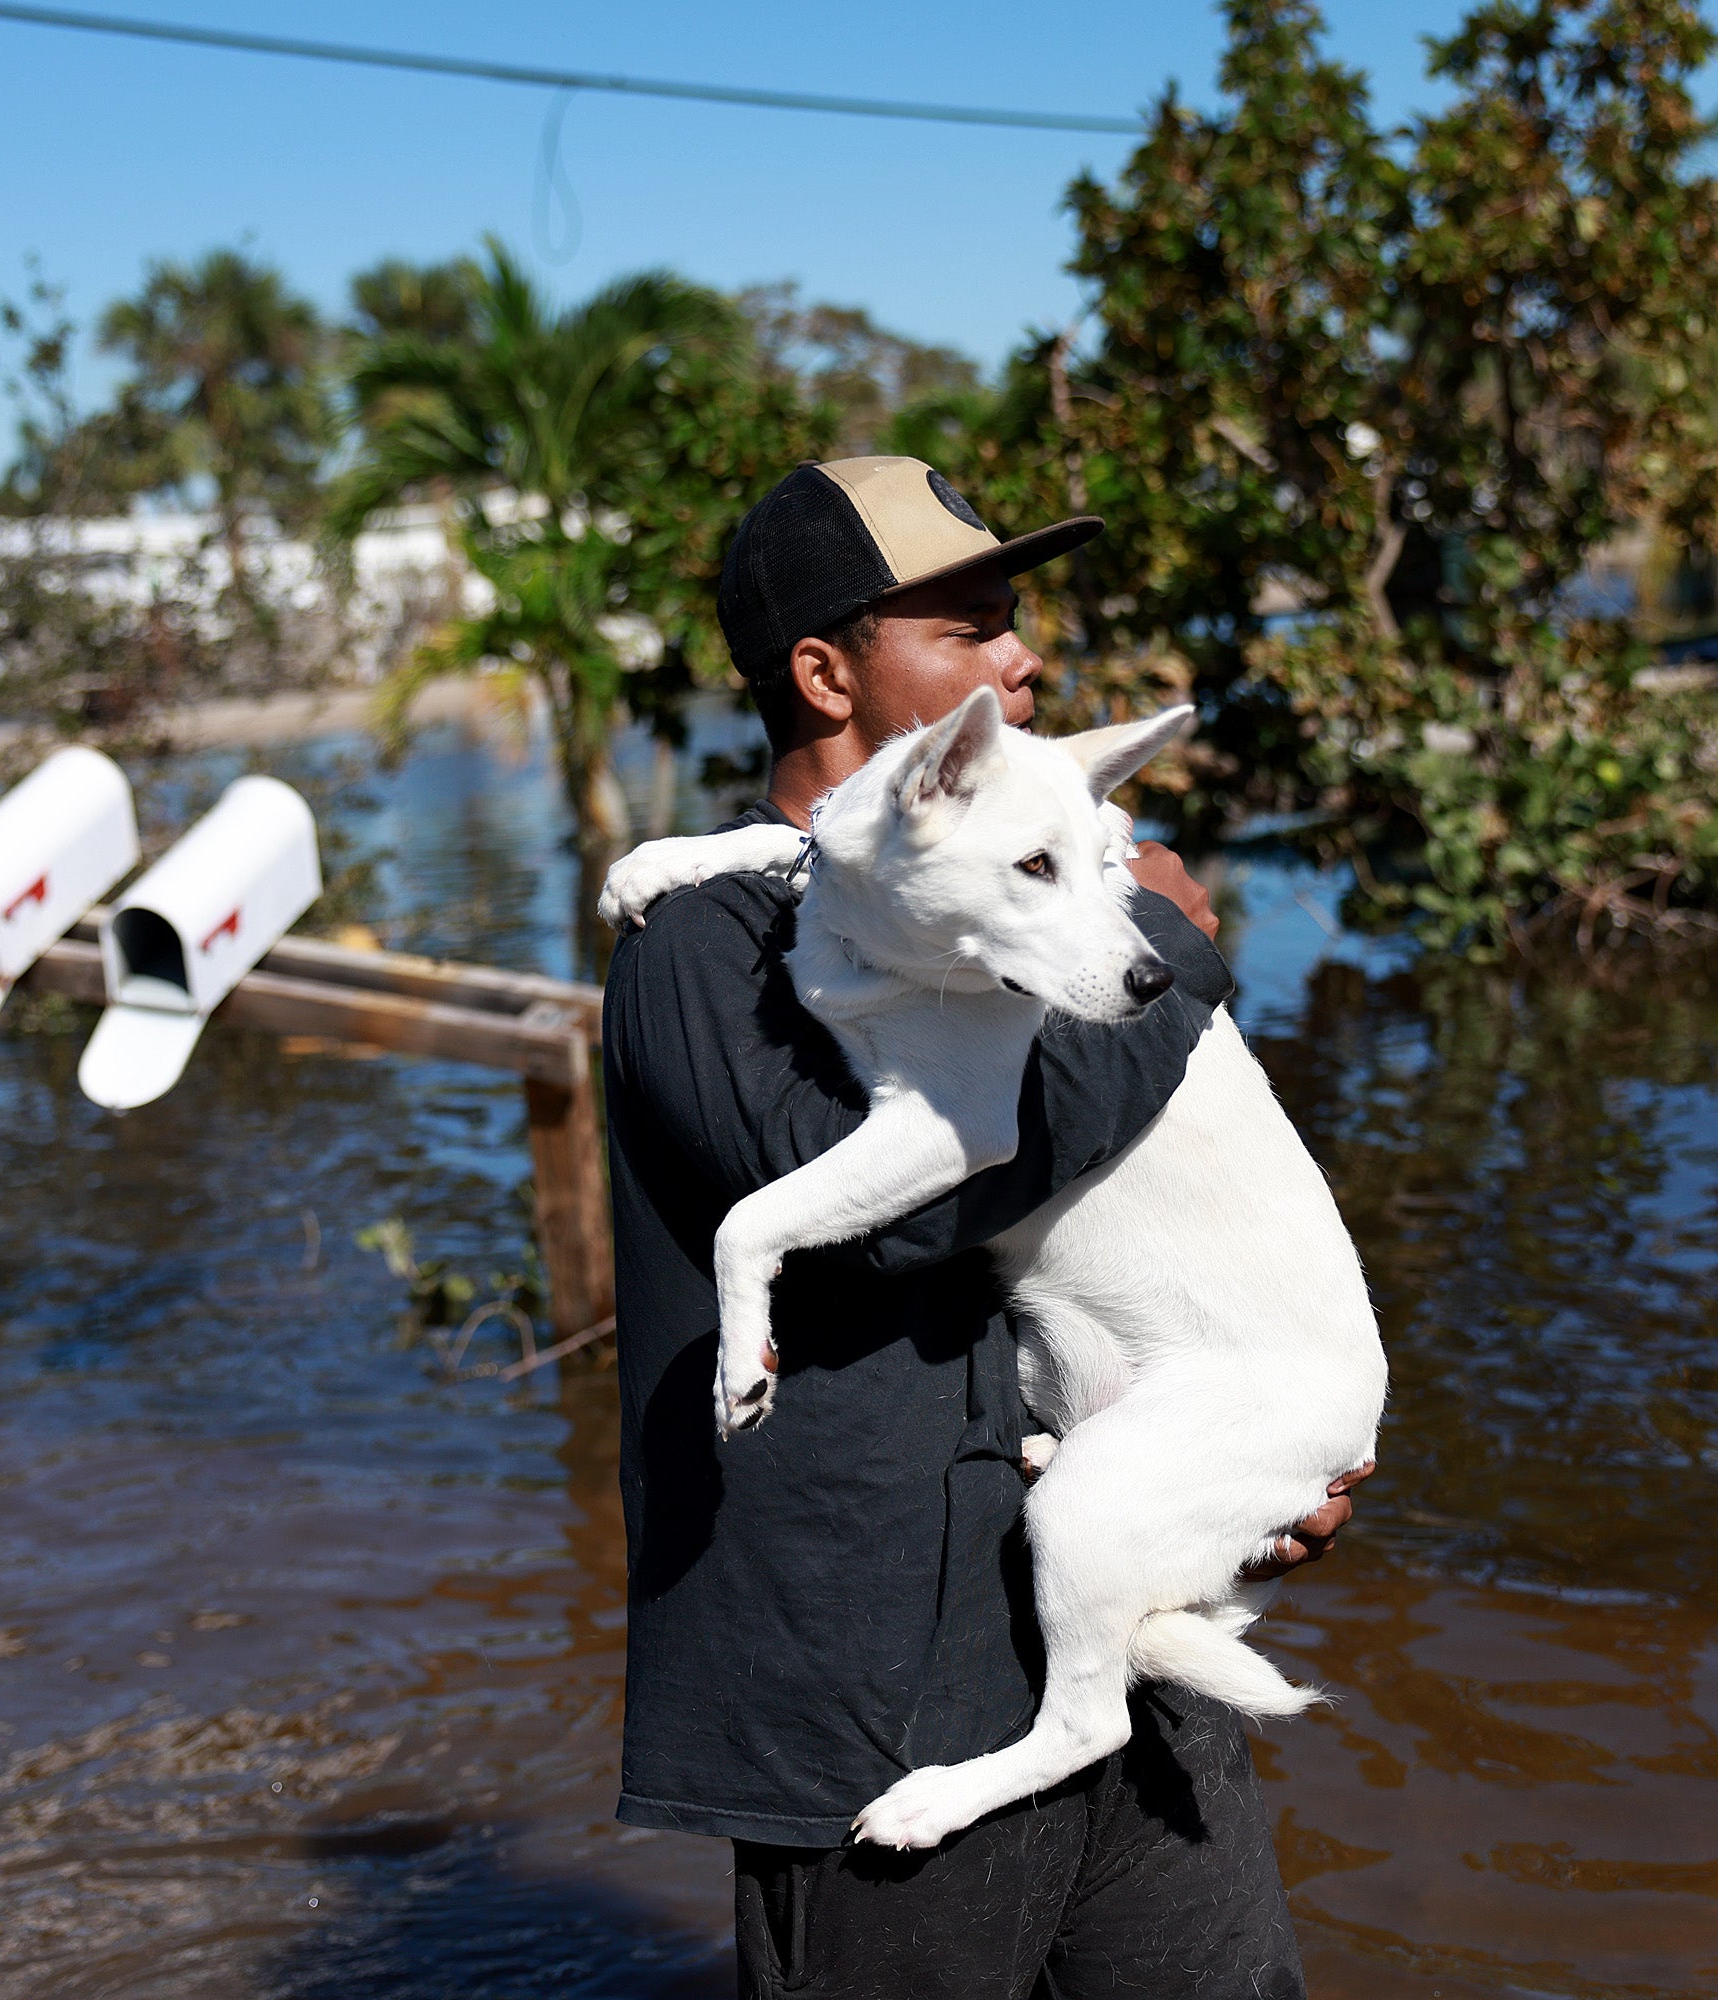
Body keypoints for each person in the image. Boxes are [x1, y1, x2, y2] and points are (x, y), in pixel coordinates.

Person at [601, 457, 1365, 1999]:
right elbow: (893, 1209)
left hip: (1110, 1653)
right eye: (969, 630)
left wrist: (1234, 1494)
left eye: (1015, 623)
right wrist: (1172, 951)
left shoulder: (1042, 904)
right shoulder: (692, 947)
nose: (1021, 660)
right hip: (872, 1704)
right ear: (823, 672)